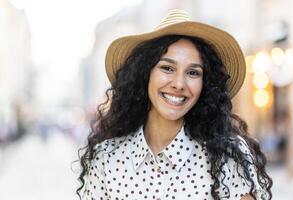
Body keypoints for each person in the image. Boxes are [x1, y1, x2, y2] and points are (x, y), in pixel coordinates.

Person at [77, 10, 273, 200]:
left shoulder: (227, 157)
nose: (179, 84)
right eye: (167, 68)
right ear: (145, 74)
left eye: (193, 72)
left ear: (205, 83)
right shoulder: (106, 159)